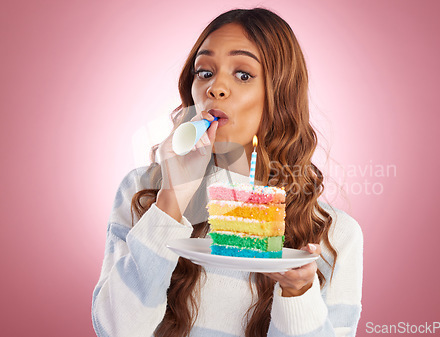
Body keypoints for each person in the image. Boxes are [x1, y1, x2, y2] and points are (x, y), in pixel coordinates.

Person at [92, 7, 363, 337]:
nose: (215, 88)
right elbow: (116, 330)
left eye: (243, 74)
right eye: (204, 72)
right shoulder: (142, 191)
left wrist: (297, 295)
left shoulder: (335, 236)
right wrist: (173, 198)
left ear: (281, 93)